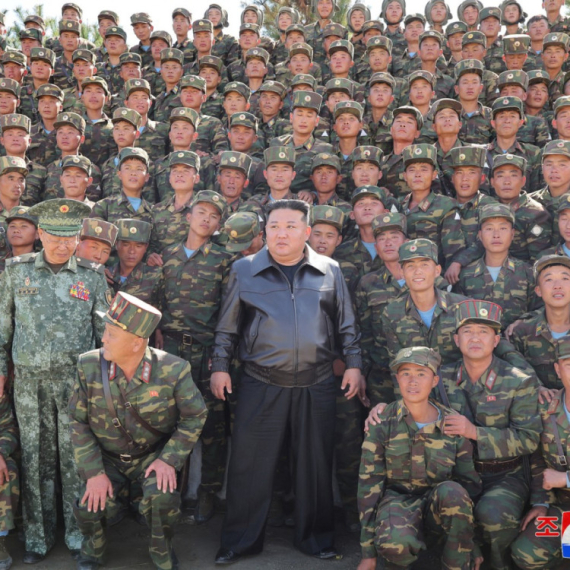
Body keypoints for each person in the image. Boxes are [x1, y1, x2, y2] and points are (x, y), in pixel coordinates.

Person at [211, 199, 362, 563]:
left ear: (307, 232)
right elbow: (227, 326)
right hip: (261, 382)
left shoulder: (330, 270)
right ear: (264, 232)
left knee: (314, 465)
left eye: (291, 226)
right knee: (250, 465)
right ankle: (240, 541)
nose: (282, 233)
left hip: (318, 381)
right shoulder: (244, 270)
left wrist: (354, 364)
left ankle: (316, 539)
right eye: (275, 226)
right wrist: (219, 365)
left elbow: (347, 325)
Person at [0, 198, 110, 564]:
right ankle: (38, 537)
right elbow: (3, 330)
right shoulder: (16, 272)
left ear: (78, 237)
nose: (63, 245)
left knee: (77, 461)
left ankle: (80, 535)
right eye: (55, 237)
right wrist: (1, 371)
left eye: (70, 238)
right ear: (41, 234)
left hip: (75, 385)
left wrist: (101, 387)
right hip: (29, 385)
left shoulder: (92, 277)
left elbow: (104, 337)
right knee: (34, 460)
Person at [69, 291, 207, 570]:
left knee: (163, 496)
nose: (103, 339)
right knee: (88, 502)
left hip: (150, 456)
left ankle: (162, 552)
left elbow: (195, 415)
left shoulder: (173, 369)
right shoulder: (88, 365)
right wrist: (94, 472)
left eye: (111, 334)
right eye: (105, 331)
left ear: (136, 344)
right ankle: (92, 551)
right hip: (107, 458)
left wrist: (169, 459)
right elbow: (78, 422)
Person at [357, 346, 481, 570]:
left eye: (421, 373)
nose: (412, 381)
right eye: (406, 373)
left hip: (439, 507)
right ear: (397, 379)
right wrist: (368, 554)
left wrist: (472, 544)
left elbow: (468, 486)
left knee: (453, 491)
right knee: (395, 545)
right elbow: (369, 487)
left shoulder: (452, 423)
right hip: (398, 502)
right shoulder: (383, 421)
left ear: (434, 380)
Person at [511, 335, 570, 569]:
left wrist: (565, 479)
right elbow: (537, 459)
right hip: (564, 509)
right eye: (569, 364)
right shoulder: (546, 408)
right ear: (557, 369)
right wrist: (540, 502)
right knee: (526, 552)